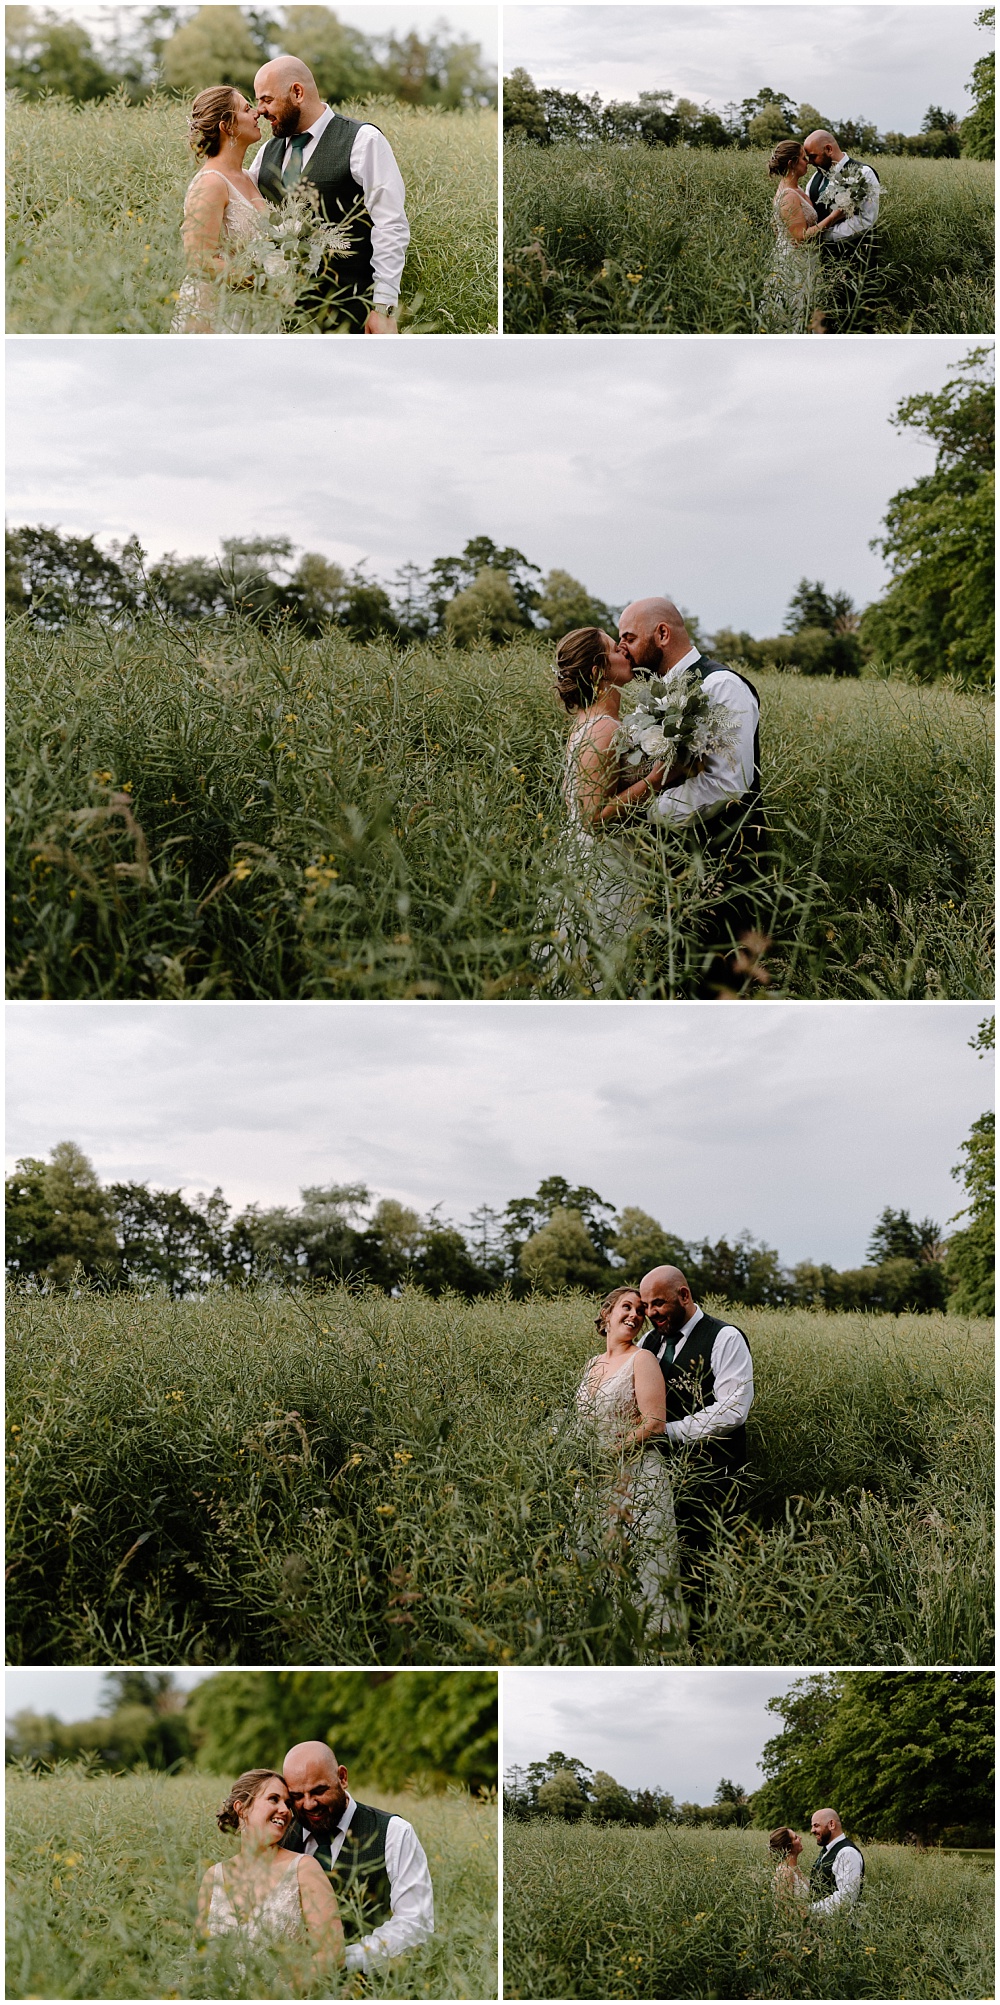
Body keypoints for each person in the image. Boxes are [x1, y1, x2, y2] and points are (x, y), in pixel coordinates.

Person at [617, 597, 766, 994]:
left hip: (724, 866)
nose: (622, 650)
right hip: (673, 871)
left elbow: (729, 784)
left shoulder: (722, 686)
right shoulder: (659, 697)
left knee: (718, 987)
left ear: (661, 634)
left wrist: (647, 814)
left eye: (628, 638)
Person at [249, 56, 409, 332]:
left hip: (346, 316)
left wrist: (383, 306)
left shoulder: (363, 140)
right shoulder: (267, 152)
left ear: (297, 92)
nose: (259, 110)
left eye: (266, 99)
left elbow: (390, 224)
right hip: (275, 319)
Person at [544, 626, 667, 983]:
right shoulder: (603, 728)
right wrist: (658, 778)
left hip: (607, 859)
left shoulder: (595, 723)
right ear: (598, 671)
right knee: (604, 966)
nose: (625, 651)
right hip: (606, 868)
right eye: (616, 649)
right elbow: (591, 818)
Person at [574, 1285, 687, 1644]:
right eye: (627, 1307)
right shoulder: (592, 1364)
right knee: (591, 1561)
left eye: (640, 1311)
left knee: (640, 1570)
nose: (635, 1315)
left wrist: (606, 1451)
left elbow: (653, 1423)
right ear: (606, 1313)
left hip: (636, 1478)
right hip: (593, 1481)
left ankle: (650, 1649)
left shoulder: (643, 1359)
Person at [636, 1265, 754, 1573]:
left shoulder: (724, 1337)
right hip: (659, 1476)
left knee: (708, 1564)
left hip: (714, 1476)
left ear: (684, 1295)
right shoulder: (649, 1341)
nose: (651, 1312)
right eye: (646, 1305)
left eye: (658, 1303)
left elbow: (733, 1409)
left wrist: (667, 1432)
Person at [281, 1741, 434, 1974]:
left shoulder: (394, 1832)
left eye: (319, 1791)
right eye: (297, 1796)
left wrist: (340, 1961)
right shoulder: (280, 1838)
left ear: (342, 1777)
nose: (309, 1804)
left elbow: (415, 1925)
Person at [198, 1768, 344, 1970]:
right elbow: (199, 1955)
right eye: (273, 1799)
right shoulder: (213, 1877)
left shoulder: (304, 1869)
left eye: (288, 1804)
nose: (285, 1810)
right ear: (242, 1809)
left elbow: (332, 1953)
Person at [172, 88, 269, 334]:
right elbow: (198, 259)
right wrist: (263, 279)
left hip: (252, 311)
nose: (257, 113)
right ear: (227, 126)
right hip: (215, 310)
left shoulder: (248, 177)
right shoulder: (211, 183)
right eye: (247, 109)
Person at [802, 130, 880, 332]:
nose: (809, 162)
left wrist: (825, 235)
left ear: (828, 149)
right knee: (826, 317)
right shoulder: (815, 179)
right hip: (823, 261)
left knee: (856, 318)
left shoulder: (864, 174)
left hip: (857, 260)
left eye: (812, 156)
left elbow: (866, 220)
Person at [764, 139, 843, 332]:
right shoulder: (788, 195)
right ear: (791, 163)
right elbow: (800, 237)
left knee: (809, 312)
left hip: (804, 258)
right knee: (796, 312)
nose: (807, 161)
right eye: (802, 158)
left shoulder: (797, 189)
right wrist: (834, 216)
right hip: (795, 263)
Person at [809, 1808, 866, 1914]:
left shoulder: (847, 1852)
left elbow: (847, 1897)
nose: (812, 1831)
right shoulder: (828, 1850)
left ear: (831, 1824)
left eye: (816, 1826)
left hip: (840, 1926)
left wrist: (811, 1910)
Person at [770, 1826, 810, 1901]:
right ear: (788, 1847)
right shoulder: (784, 1873)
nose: (800, 1837)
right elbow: (784, 1909)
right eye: (795, 1838)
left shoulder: (795, 1868)